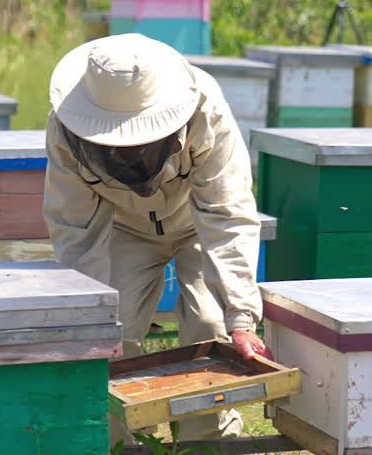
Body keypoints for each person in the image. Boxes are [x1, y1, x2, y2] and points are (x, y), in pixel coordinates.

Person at [42, 33, 270, 443]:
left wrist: (241, 316)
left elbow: (226, 213)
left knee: (209, 321)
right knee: (113, 328)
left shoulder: (207, 110)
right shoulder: (65, 129)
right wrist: (88, 322)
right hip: (125, 228)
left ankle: (206, 442)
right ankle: (123, 438)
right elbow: (75, 230)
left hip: (196, 223)